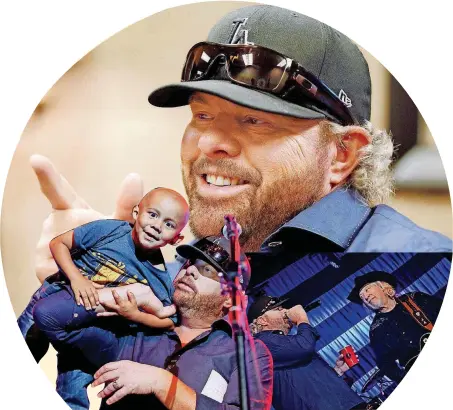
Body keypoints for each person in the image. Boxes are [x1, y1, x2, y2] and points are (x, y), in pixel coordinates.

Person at [22, 3, 452, 407]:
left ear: (339, 155)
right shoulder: (183, 272)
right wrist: (97, 268)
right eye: (202, 115)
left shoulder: (433, 264)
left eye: (254, 120)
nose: (208, 143)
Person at [33, 236, 273, 410]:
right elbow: (49, 316)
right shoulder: (136, 333)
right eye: (190, 264)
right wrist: (135, 292)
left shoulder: (248, 354)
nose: (190, 272)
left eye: (208, 270)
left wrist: (161, 382)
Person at [17, 187, 189, 409]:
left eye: (168, 224)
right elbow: (58, 243)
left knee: (72, 393)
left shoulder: (159, 279)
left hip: (86, 330)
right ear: (137, 213)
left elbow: (168, 322)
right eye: (153, 215)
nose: (157, 226)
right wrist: (77, 279)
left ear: (177, 238)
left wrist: (134, 315)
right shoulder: (110, 230)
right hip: (56, 295)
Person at [248, 295, 365, 410]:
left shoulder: (284, 344)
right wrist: (301, 318)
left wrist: (336, 371)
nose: (285, 311)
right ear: (263, 320)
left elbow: (305, 384)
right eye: (278, 309)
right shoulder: (262, 343)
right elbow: (305, 346)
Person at [347, 271, 443, 383]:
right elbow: (386, 365)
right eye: (362, 297)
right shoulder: (376, 329)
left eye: (367, 289)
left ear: (383, 287)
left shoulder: (414, 298)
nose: (366, 296)